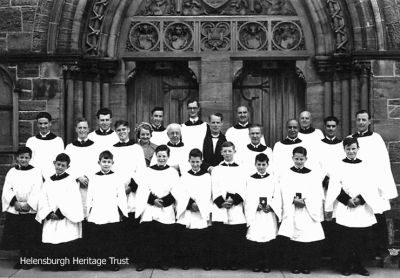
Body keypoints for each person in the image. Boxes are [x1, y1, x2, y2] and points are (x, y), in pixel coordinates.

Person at [325, 137, 381, 276]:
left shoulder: (365, 165)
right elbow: (334, 187)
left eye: (353, 148)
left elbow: (370, 186)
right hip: (346, 207)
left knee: (361, 239)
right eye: (348, 149)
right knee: (345, 239)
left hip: (362, 208)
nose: (351, 151)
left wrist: (360, 200)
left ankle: (359, 265)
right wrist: (347, 200)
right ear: (344, 149)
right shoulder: (338, 166)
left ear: (358, 149)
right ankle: (345, 265)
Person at [349, 110, 398, 260]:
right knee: (359, 219)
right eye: (359, 120)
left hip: (374, 185)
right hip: (355, 185)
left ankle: (380, 252)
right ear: (355, 121)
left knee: (376, 218)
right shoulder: (350, 139)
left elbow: (383, 164)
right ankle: (361, 253)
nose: (361, 122)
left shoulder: (376, 139)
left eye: (364, 120)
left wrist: (380, 186)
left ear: (369, 121)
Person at [278, 146, 325, 274]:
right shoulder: (287, 173)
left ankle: (306, 264)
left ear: (306, 159)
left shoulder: (312, 174)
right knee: (294, 239)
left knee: (306, 239)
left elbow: (316, 192)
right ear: (292, 158)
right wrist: (293, 200)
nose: (299, 161)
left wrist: (305, 202)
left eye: (301, 159)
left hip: (307, 211)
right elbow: (283, 191)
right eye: (296, 159)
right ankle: (295, 264)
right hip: (293, 210)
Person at [36, 153, 84, 271]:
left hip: (65, 217)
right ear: (54, 163)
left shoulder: (71, 181)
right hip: (51, 216)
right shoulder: (48, 181)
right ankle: (52, 264)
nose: (60, 167)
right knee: (51, 237)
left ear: (68, 167)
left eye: (63, 165)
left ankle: (67, 265)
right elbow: (43, 198)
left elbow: (73, 199)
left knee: (66, 237)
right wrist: (48, 213)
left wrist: (60, 213)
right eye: (58, 164)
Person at [135, 145, 179, 271]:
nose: (161, 158)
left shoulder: (173, 172)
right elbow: (143, 189)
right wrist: (153, 200)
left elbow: (176, 190)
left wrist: (164, 201)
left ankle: (163, 261)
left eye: (164, 156)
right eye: (159, 156)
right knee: (147, 236)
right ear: (155, 156)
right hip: (150, 206)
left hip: (166, 207)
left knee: (164, 236)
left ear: (168, 157)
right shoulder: (148, 171)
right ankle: (145, 261)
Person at [86, 150, 128, 271]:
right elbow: (90, 195)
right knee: (98, 238)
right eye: (104, 161)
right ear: (99, 162)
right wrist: (88, 212)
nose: (106, 164)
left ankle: (112, 263)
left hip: (112, 211)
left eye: (109, 162)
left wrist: (121, 212)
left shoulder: (116, 177)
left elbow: (121, 195)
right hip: (97, 211)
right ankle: (98, 262)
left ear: (112, 163)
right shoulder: (93, 177)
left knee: (112, 239)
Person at [1, 147, 42, 270]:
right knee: (18, 235)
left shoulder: (35, 172)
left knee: (29, 235)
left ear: (30, 158)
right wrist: (14, 202)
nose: (24, 159)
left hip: (29, 208)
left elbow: (37, 190)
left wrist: (29, 204)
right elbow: (7, 189)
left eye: (26, 157)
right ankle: (21, 259)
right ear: (17, 158)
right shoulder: (12, 172)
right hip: (16, 208)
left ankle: (29, 259)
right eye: (21, 157)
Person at [111, 120, 146, 261]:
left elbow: (141, 170)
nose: (121, 132)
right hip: (118, 190)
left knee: (133, 221)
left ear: (129, 130)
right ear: (115, 132)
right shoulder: (112, 148)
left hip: (132, 190)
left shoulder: (136, 148)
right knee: (119, 223)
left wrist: (131, 187)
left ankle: (135, 256)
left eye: (123, 129)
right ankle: (121, 255)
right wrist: (119, 189)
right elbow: (110, 169)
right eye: (118, 130)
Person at [211, 141, 247, 270]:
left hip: (235, 207)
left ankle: (235, 262)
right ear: (221, 153)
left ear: (234, 151)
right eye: (225, 151)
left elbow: (243, 186)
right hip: (221, 207)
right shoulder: (216, 169)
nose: (227, 153)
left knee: (235, 238)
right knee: (222, 238)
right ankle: (223, 262)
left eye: (229, 151)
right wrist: (222, 202)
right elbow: (214, 187)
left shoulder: (241, 169)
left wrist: (233, 200)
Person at [175, 148, 212, 270]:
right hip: (189, 211)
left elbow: (208, 194)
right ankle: (187, 261)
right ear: (189, 161)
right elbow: (182, 193)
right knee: (188, 238)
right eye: (193, 162)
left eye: (197, 162)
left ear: (201, 161)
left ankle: (204, 262)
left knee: (202, 238)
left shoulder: (207, 177)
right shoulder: (185, 176)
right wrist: (191, 204)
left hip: (201, 212)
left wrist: (199, 205)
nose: (195, 164)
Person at [244, 153, 281, 273]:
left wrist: (271, 206)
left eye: (263, 164)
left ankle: (267, 264)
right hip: (256, 214)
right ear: (255, 164)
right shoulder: (250, 179)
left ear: (267, 165)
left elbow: (277, 196)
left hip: (268, 213)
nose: (261, 167)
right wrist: (256, 206)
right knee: (256, 240)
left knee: (268, 240)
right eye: (258, 164)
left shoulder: (273, 179)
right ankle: (256, 263)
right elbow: (248, 196)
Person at [318, 116, 343, 257]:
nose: (331, 128)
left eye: (333, 126)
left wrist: (334, 181)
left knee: (335, 216)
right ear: (325, 127)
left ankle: (335, 250)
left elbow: (342, 165)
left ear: (337, 127)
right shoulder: (318, 144)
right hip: (322, 185)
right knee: (323, 215)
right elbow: (316, 165)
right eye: (328, 126)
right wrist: (324, 180)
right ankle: (324, 250)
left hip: (337, 186)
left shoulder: (341, 145)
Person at [25, 112, 64, 179]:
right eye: (40, 123)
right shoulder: (31, 141)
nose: (43, 126)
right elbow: (28, 160)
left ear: (50, 123)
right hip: (34, 175)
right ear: (37, 124)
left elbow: (60, 160)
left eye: (45, 123)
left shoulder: (58, 141)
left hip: (52, 176)